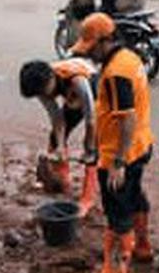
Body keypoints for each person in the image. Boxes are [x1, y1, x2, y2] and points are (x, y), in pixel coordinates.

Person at [71, 13, 154, 273]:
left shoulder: (117, 72)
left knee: (117, 210)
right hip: (141, 145)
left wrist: (118, 162)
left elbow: (127, 117)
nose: (89, 53)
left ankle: (115, 269)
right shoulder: (129, 58)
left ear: (105, 41)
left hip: (121, 153)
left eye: (91, 47)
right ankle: (142, 248)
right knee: (135, 197)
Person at [18, 58, 99, 215]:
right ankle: (62, 179)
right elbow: (57, 119)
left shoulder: (78, 81)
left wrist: (89, 148)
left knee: (94, 148)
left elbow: (91, 120)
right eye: (40, 94)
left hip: (94, 89)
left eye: (44, 92)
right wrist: (60, 147)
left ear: (51, 79)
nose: (43, 96)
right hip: (72, 96)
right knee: (55, 140)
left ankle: (88, 198)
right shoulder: (41, 87)